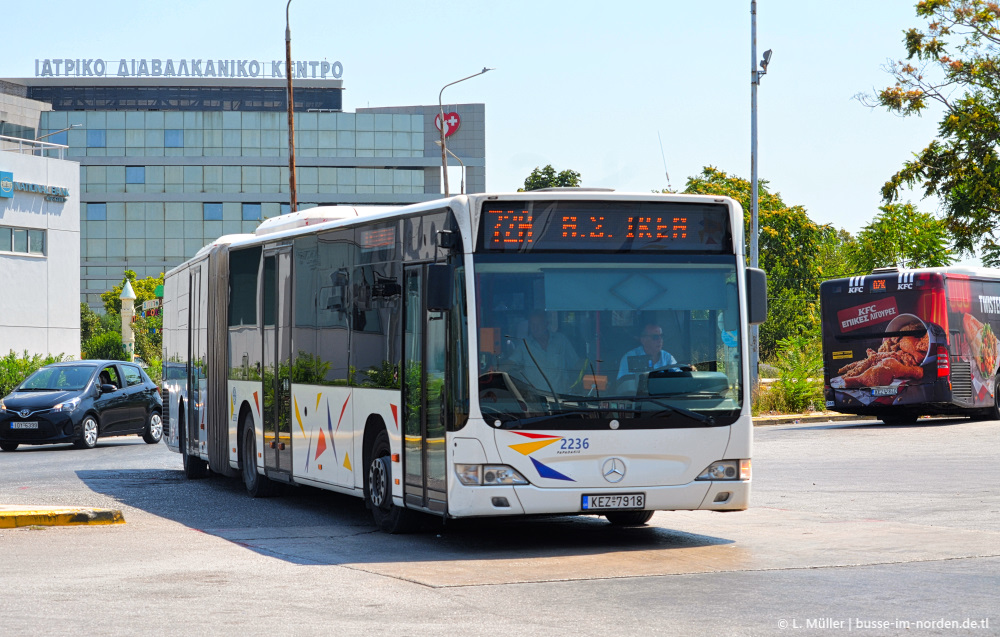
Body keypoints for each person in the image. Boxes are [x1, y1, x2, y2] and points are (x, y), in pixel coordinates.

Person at [502, 310, 582, 395]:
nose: (535, 328)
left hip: (560, 400)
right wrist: (494, 371)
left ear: (546, 324)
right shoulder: (525, 345)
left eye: (538, 325)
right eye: (532, 325)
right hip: (536, 401)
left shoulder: (561, 340)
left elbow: (576, 364)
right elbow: (510, 362)